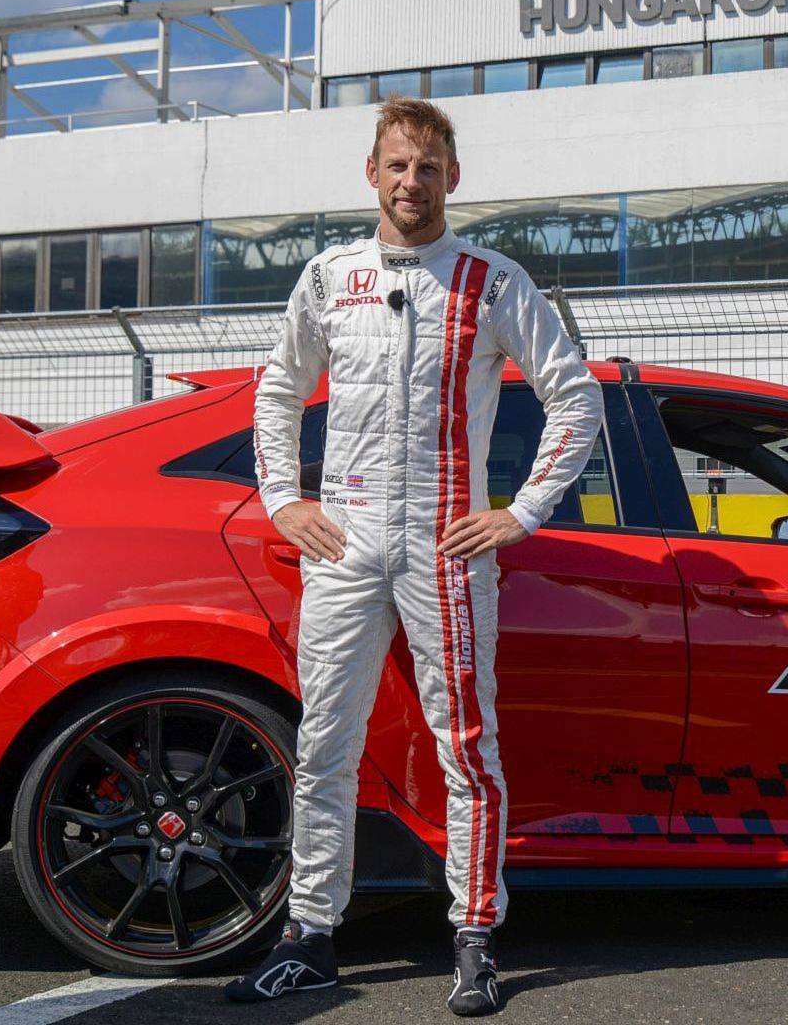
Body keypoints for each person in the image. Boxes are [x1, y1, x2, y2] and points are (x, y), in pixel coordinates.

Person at [224, 97, 603, 1014]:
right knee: (324, 744)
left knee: (468, 747)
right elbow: (277, 390)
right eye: (397, 165)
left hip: (446, 543)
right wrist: (284, 500)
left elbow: (576, 396)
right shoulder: (329, 277)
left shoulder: (492, 281)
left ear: (452, 178)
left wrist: (521, 514)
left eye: (428, 168)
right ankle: (310, 937)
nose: (411, 182)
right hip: (346, 540)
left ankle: (474, 937)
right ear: (372, 173)